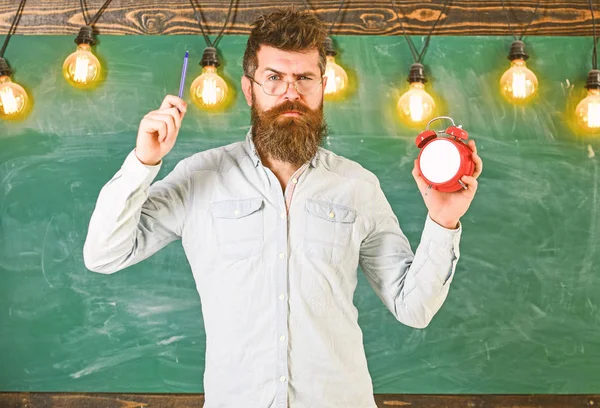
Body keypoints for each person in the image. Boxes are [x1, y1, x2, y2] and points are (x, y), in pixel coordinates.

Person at [83, 7, 482, 408]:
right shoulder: (198, 177)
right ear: (250, 87)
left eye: (304, 78)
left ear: (322, 85)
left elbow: (413, 308)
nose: (291, 92)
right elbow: (104, 254)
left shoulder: (357, 186)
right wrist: (143, 162)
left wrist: (443, 221)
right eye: (274, 78)